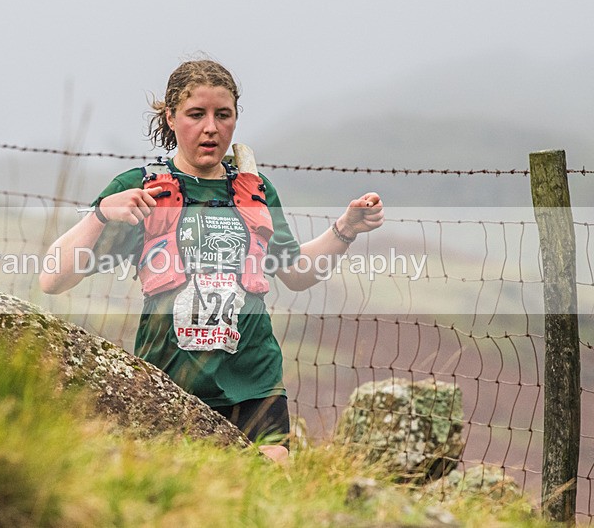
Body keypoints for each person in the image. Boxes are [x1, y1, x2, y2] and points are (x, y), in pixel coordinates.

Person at [39, 59, 384, 462]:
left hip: (254, 381)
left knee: (268, 493)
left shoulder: (255, 190)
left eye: (223, 115)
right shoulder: (140, 188)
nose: (211, 128)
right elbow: (53, 279)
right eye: (196, 114)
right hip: (166, 381)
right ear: (170, 117)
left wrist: (345, 228)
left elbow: (296, 273)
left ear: (235, 119)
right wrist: (100, 215)